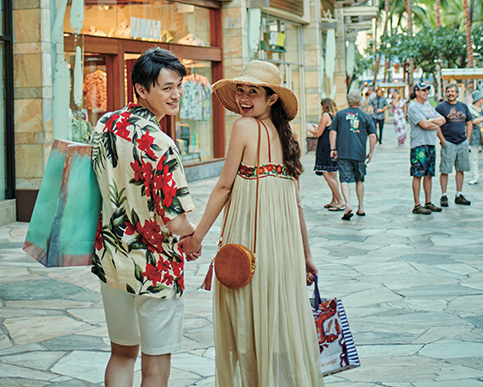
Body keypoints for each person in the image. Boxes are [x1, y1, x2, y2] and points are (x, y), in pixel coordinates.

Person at [180, 60, 324, 386]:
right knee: (273, 327)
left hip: (250, 247)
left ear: (272, 98)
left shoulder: (243, 128)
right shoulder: (288, 138)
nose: (244, 98)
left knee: (247, 328)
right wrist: (305, 255)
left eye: (253, 92)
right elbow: (296, 204)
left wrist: (197, 237)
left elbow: (223, 186)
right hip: (283, 251)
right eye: (240, 90)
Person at [90, 47, 199, 387]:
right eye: (166, 87)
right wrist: (194, 236)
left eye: (178, 85)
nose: (176, 94)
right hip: (156, 269)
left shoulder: (105, 124)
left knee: (121, 354)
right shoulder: (160, 143)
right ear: (141, 88)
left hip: (112, 260)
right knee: (155, 366)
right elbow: (176, 222)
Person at [329, 91, 377, 220]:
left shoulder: (340, 114)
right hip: (359, 153)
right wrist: (371, 152)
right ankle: (360, 208)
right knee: (359, 180)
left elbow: (333, 132)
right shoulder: (365, 116)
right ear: (360, 101)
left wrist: (333, 148)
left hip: (343, 152)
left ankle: (348, 204)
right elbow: (373, 136)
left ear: (348, 100)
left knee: (344, 179)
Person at [406, 82, 446, 215]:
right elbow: (423, 124)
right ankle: (417, 204)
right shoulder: (413, 107)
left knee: (429, 174)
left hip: (430, 143)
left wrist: (430, 122)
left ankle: (428, 202)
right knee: (418, 174)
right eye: (423, 90)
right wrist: (432, 122)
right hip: (419, 146)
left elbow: (443, 120)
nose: (426, 93)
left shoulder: (428, 106)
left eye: (427, 90)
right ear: (417, 92)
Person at [435, 83, 473, 207]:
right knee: (445, 170)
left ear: (457, 93)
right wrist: (443, 140)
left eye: (453, 91)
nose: (450, 93)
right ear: (445, 93)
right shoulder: (441, 107)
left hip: (462, 142)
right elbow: (437, 125)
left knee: (460, 169)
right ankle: (444, 195)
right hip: (449, 142)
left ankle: (459, 194)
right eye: (448, 91)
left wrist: (468, 138)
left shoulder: (463, 106)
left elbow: (469, 122)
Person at [308, 98, 344, 210]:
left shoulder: (326, 115)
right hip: (333, 146)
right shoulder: (335, 115)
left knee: (326, 174)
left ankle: (340, 201)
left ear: (325, 106)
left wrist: (311, 130)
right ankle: (335, 200)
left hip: (326, 147)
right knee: (332, 174)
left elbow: (319, 133)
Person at [467, 90, 483, 185]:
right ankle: (475, 176)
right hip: (474, 134)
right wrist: (482, 119)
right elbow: (472, 121)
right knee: (474, 157)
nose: (482, 100)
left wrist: (479, 121)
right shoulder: (470, 109)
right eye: (481, 98)